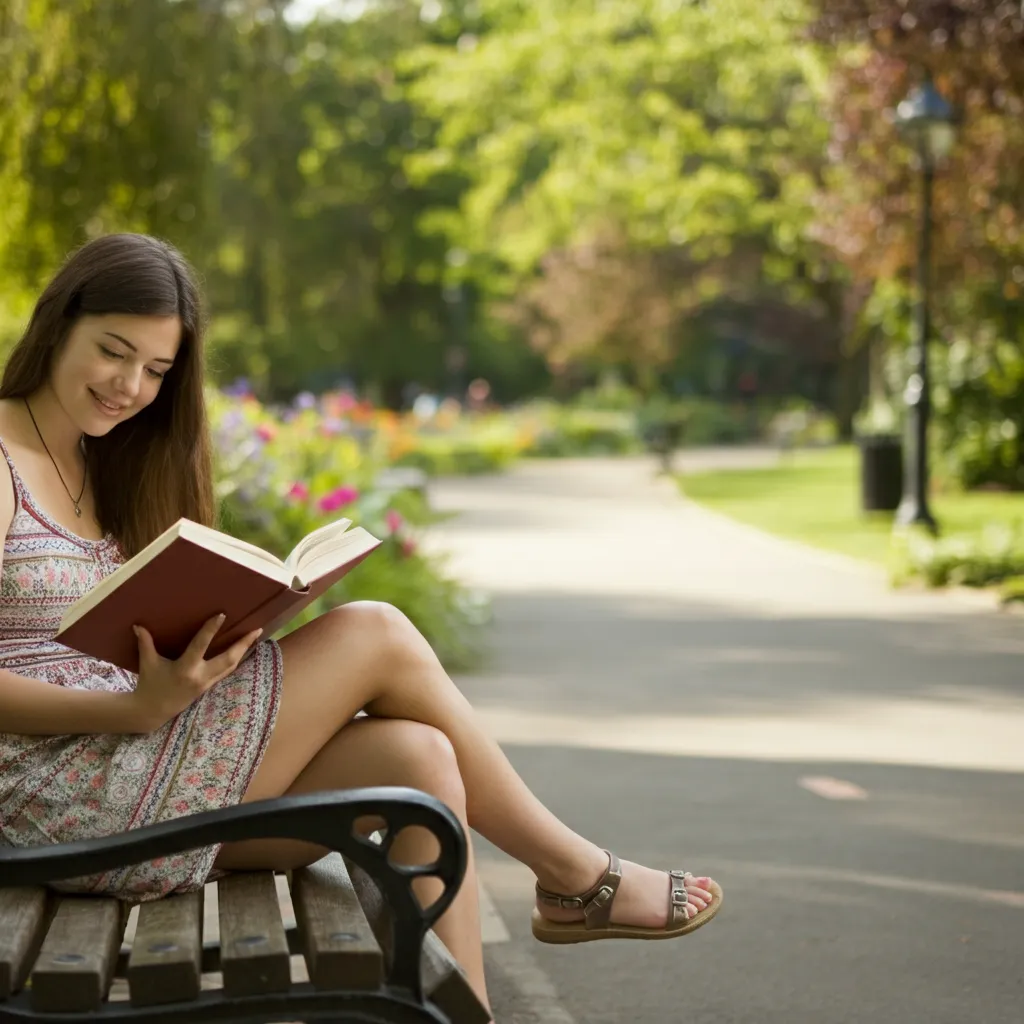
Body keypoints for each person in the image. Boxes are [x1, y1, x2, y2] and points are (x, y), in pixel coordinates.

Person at [0, 234, 722, 1017]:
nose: (130, 386)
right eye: (114, 352)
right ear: (58, 323)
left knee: (419, 759)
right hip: (61, 796)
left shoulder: (99, 462)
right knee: (374, 631)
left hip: (135, 758)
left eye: (157, 371)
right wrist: (130, 708)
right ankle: (579, 877)